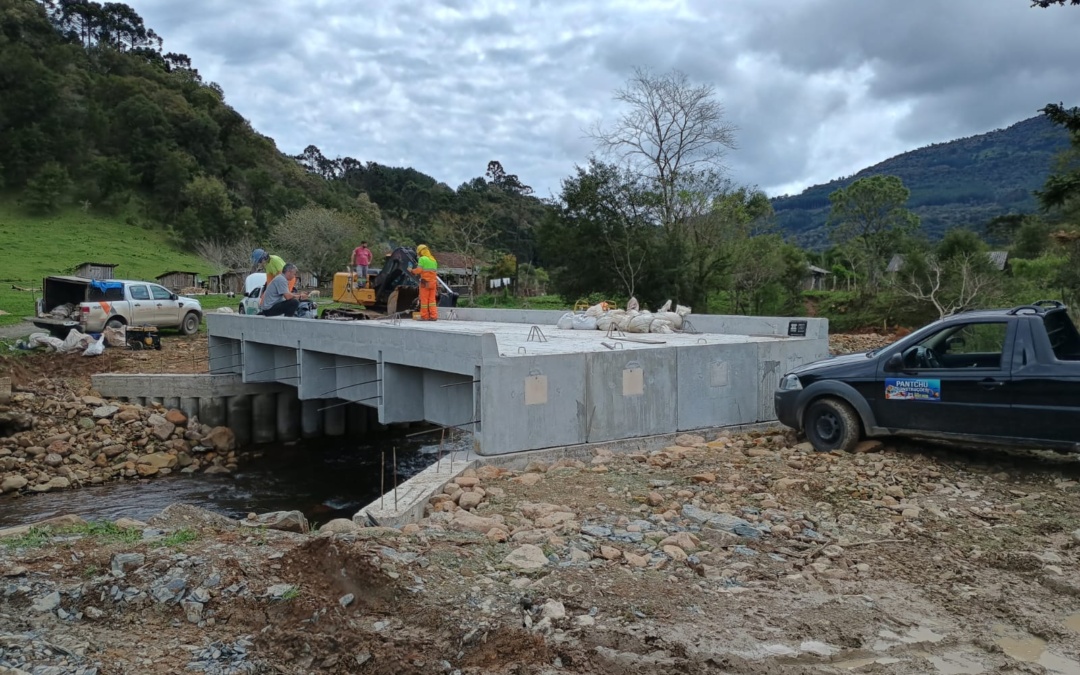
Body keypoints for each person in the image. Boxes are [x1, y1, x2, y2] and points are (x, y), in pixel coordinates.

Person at [410, 244, 439, 321]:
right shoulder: (433, 260)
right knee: (432, 301)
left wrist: (412, 270)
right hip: (433, 283)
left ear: (421, 252)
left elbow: (419, 270)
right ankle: (433, 316)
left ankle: (424, 316)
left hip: (425, 283)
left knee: (424, 300)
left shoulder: (422, 259)